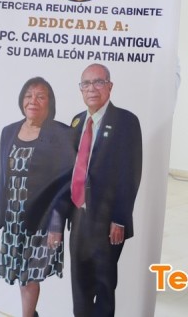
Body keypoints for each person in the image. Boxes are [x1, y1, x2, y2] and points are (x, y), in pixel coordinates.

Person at [0, 77, 76, 317]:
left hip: (43, 218)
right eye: (28, 95)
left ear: (50, 103)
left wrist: (56, 224)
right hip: (14, 218)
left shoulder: (62, 134)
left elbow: (66, 184)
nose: (33, 101)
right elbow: (5, 176)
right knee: (22, 276)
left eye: (41, 96)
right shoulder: (9, 131)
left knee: (30, 276)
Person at [68, 63, 142, 317]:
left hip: (108, 220)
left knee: (104, 284)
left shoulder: (126, 121)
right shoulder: (77, 121)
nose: (92, 89)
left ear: (110, 86)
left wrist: (119, 218)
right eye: (86, 83)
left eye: (98, 82)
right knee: (79, 284)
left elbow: (131, 173)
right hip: (78, 216)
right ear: (80, 89)